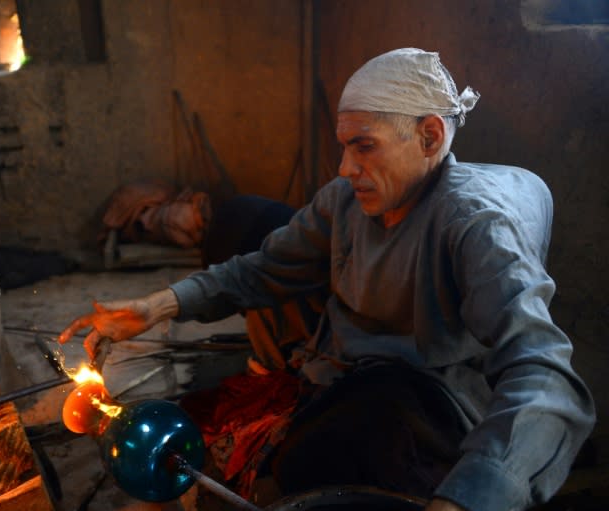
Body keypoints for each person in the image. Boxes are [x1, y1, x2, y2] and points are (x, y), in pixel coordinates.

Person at [58, 48, 595, 511]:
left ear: (430, 136)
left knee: (337, 453)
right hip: (350, 369)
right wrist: (159, 306)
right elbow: (267, 268)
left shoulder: (475, 226)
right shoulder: (346, 201)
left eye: (364, 146)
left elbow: (544, 375)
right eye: (343, 146)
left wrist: (471, 495)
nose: (344, 167)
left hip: (426, 393)